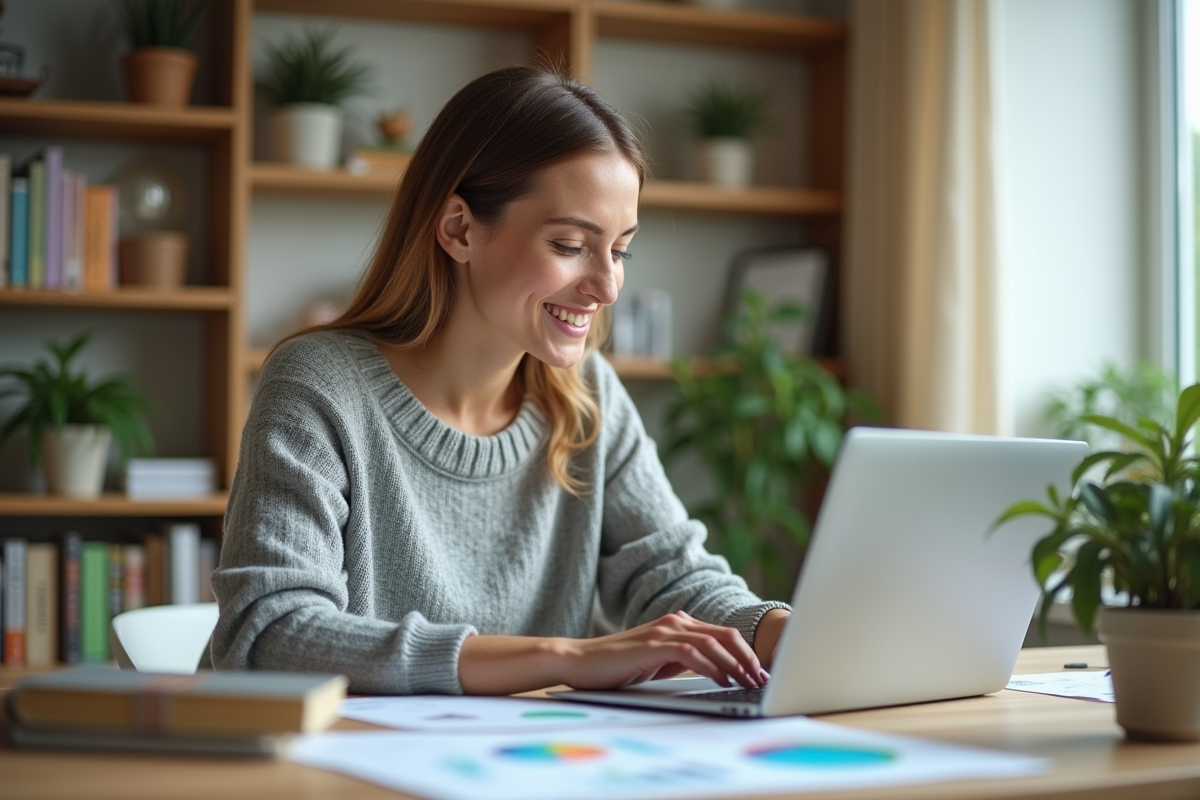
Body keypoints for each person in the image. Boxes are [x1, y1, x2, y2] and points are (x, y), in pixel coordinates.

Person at [211, 66, 792, 695]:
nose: (608, 285)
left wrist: (784, 630)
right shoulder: (320, 387)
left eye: (620, 250)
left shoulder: (588, 397)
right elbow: (270, 633)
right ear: (459, 229)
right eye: (571, 244)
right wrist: (565, 658)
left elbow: (674, 577)